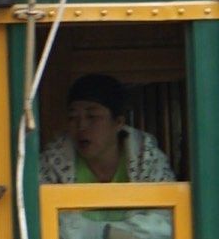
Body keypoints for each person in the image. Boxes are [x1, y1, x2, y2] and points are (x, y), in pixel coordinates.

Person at [41, 73, 174, 185]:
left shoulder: (147, 159)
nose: (81, 126)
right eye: (73, 117)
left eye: (92, 117)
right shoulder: (52, 162)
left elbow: (163, 213)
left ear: (118, 123)